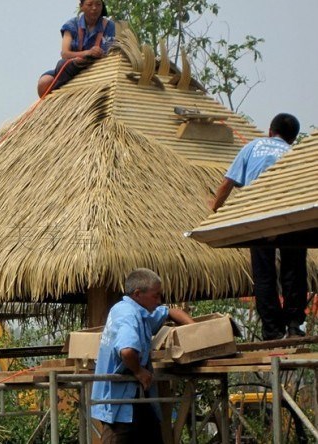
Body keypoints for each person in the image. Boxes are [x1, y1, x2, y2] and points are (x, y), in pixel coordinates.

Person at [210, 113, 307, 341]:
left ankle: (272, 331)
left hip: (258, 216)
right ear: (292, 139)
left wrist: (215, 210)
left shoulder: (252, 147)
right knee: (294, 271)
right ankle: (294, 326)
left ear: (270, 132)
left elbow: (227, 183)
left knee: (264, 274)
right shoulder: (296, 153)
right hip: (290, 215)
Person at [91, 268, 194, 444]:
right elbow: (127, 351)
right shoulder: (127, 315)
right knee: (120, 436)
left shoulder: (142, 312)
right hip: (121, 400)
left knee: (152, 432)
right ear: (138, 294)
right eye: (155, 296)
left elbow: (170, 312)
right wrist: (139, 371)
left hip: (138, 398)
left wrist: (196, 330)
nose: (159, 300)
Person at [37, 0, 115, 98]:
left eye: (98, 4)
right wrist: (87, 53)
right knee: (45, 82)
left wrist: (100, 53)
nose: (94, 8)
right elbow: (65, 53)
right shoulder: (72, 25)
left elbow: (110, 52)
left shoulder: (109, 26)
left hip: (96, 67)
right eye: (89, 4)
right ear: (81, 6)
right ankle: (56, 97)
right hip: (72, 65)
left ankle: (61, 93)